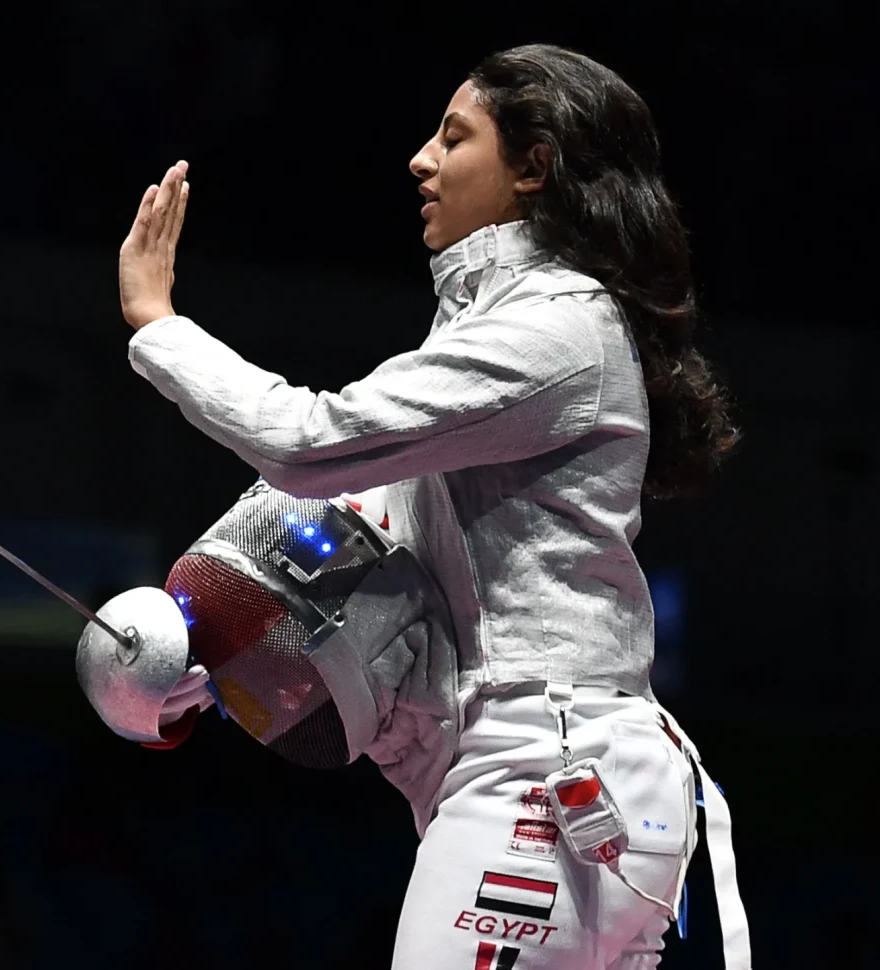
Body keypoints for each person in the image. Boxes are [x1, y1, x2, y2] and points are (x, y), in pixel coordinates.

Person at [113, 44, 746, 969]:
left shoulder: (556, 327)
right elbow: (371, 542)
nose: (421, 159)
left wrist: (158, 325)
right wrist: (208, 659)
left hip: (545, 778)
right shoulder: (503, 323)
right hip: (561, 781)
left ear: (533, 166)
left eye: (455, 138)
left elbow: (309, 445)